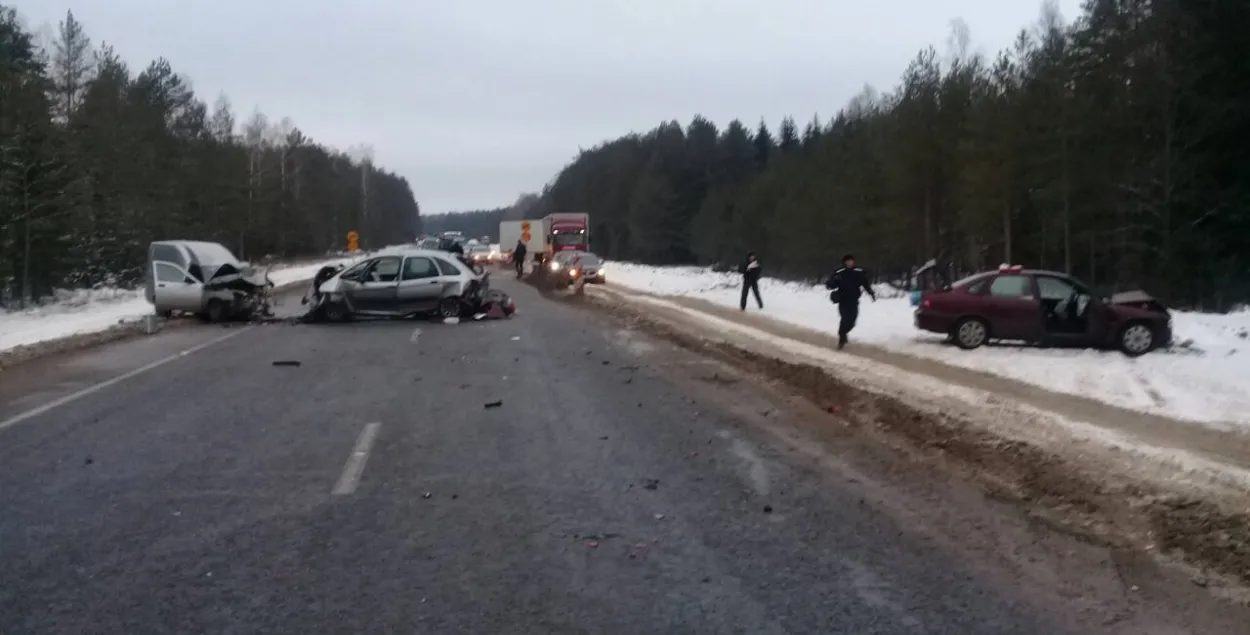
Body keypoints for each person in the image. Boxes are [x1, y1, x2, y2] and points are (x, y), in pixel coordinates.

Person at [825, 253, 876, 349]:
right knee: (845, 318)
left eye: (851, 261)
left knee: (852, 321)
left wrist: (871, 293)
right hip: (843, 300)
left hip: (854, 300)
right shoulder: (839, 272)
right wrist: (831, 283)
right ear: (844, 262)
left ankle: (843, 332)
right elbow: (831, 284)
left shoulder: (859, 272)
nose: (849, 263)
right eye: (847, 261)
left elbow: (865, 284)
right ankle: (842, 337)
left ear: (853, 262)